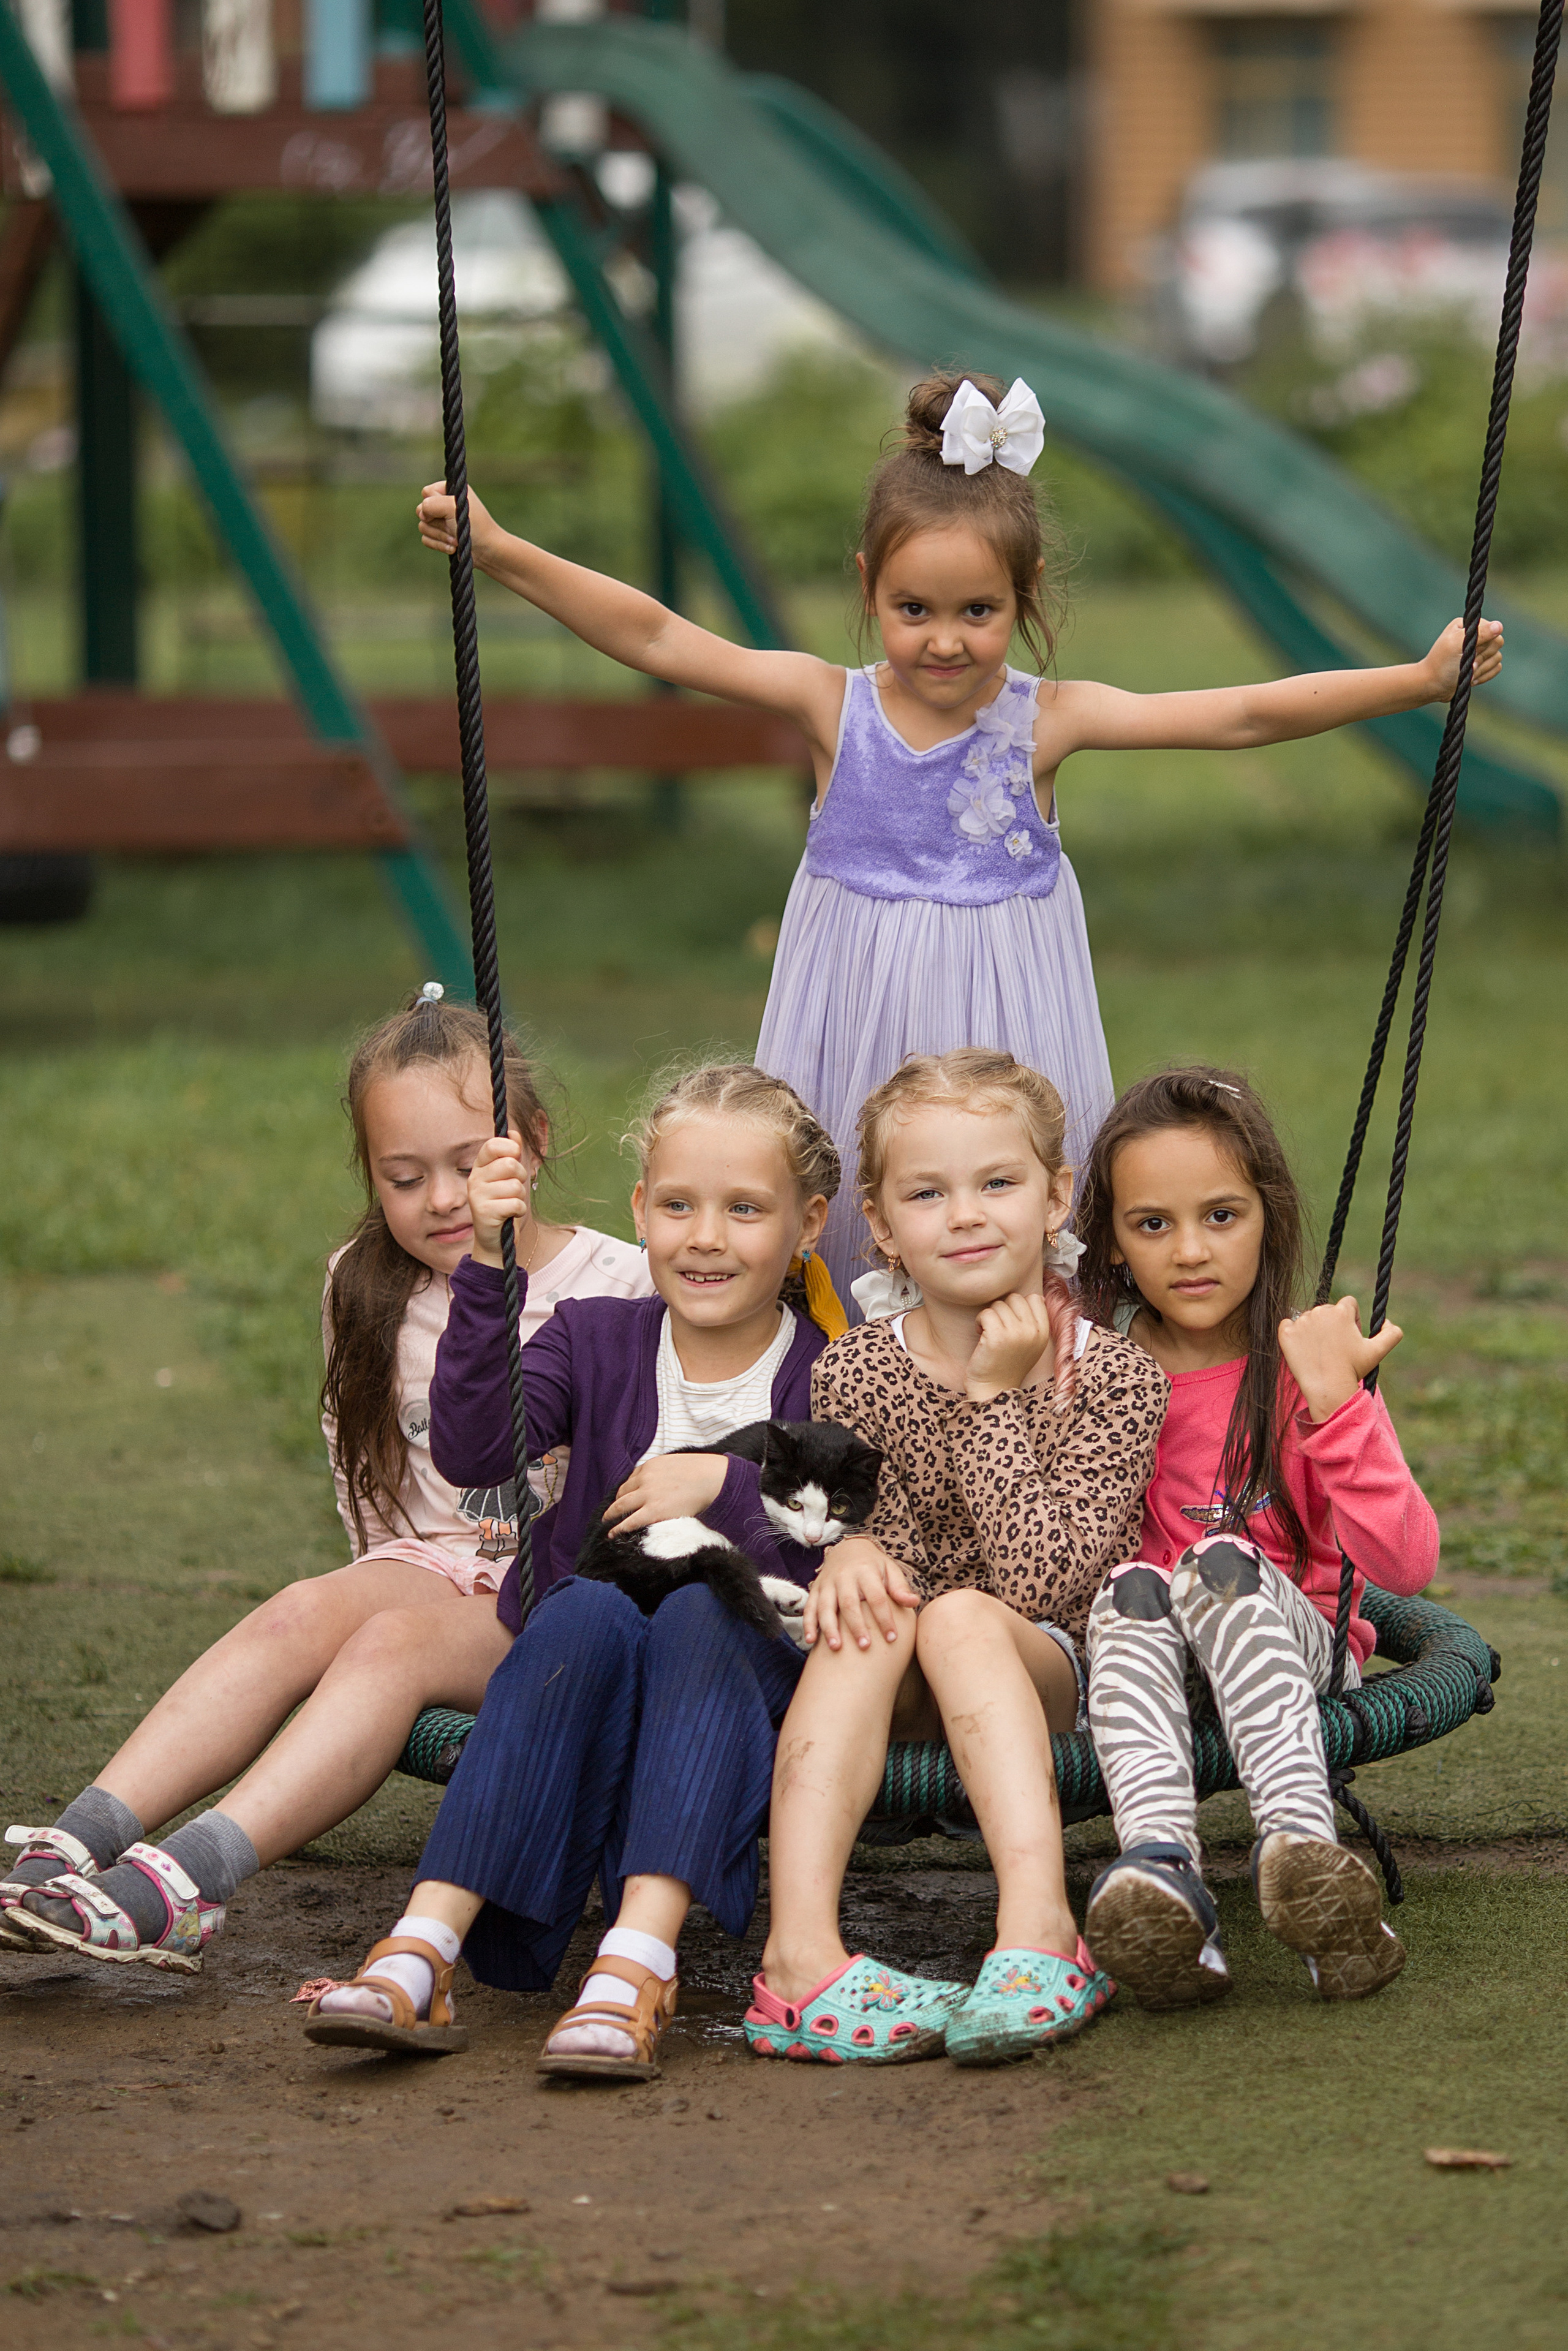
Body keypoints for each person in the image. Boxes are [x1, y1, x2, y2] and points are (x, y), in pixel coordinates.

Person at [415, 369, 1504, 1307]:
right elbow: (653, 633)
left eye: (978, 612)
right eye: (914, 610)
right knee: (848, 1227)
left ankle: (1019, 1422)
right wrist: (501, 550)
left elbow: (1240, 716)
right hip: (853, 1010)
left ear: (1023, 597)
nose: (945, 641)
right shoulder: (826, 704)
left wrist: (1415, 681)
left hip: (1005, 1020)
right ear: (868, 589)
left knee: (994, 1225)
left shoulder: (1048, 719)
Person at [0, 988, 649, 1971]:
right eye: (403, 1176)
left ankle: (186, 1881)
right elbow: (372, 1491)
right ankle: (77, 1840)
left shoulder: (624, 1282)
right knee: (300, 1612)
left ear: (532, 1144)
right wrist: (359, 1596)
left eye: (468, 1166)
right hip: (427, 1562)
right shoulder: (364, 1280)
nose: (439, 1198)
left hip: (554, 1589)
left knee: (389, 1644)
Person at [303, 1064, 845, 2078]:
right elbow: (475, 1449)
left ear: (808, 1222)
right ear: (641, 1210)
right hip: (590, 1647)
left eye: (745, 1209)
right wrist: (489, 1272)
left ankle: (636, 1957)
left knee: (696, 1614)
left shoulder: (829, 1369)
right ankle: (424, 1945)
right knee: (582, 1607)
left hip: (736, 1663)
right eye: (678, 1205)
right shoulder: (594, 1336)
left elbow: (826, 1547)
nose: (707, 1237)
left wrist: (722, 1485)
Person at [745, 1051, 1169, 2068]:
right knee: (870, 1612)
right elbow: (861, 1531)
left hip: (1049, 1667)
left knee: (961, 1614)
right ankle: (797, 1958)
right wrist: (845, 1551)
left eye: (998, 1183)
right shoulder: (852, 1368)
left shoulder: (1115, 1377)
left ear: (1057, 1196)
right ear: (884, 1226)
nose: (966, 1214)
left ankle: (1039, 1930)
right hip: (905, 1684)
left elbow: (1040, 1584)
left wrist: (992, 1398)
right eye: (927, 1193)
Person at [1074, 1066, 1439, 2009]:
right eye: (1152, 1223)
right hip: (1159, 1662)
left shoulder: (1302, 1367)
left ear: (1268, 1217)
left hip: (1300, 1642)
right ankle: (1163, 1872)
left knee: (1215, 1560)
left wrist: (1337, 1406)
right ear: (1111, 1243)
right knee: (1126, 1591)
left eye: (1222, 1215)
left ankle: (1300, 1845)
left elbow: (1406, 1561)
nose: (1190, 1251)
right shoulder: (1101, 1373)